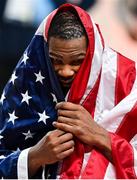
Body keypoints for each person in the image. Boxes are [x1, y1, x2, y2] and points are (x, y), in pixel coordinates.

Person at [0, 3, 137, 179]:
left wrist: (101, 136)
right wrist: (34, 157)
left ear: (92, 52)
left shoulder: (128, 84)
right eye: (55, 60)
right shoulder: (24, 87)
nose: (65, 71)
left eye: (77, 61)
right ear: (44, 52)